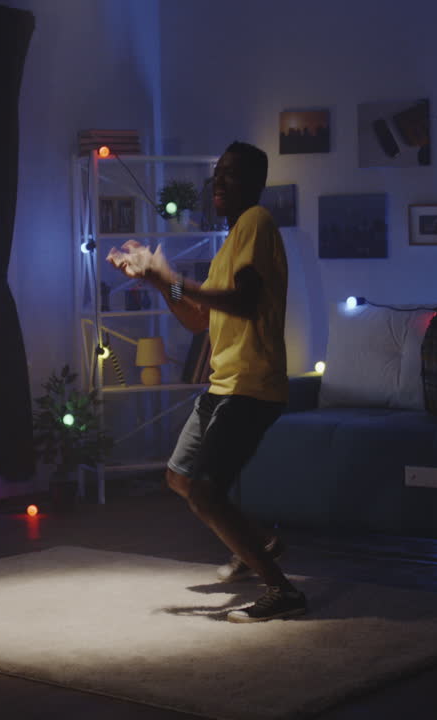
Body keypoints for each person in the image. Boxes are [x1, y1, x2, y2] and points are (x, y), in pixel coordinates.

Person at [107, 141, 304, 623]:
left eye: (231, 175)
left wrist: (169, 274)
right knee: (178, 477)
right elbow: (197, 317)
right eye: (217, 174)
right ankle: (260, 544)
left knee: (205, 492)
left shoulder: (256, 222)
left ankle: (282, 590)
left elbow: (241, 301)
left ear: (255, 184)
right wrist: (157, 281)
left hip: (251, 385)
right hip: (223, 383)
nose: (219, 183)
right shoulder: (231, 240)